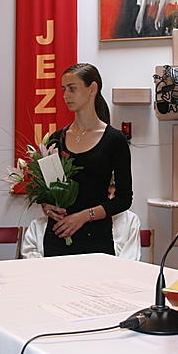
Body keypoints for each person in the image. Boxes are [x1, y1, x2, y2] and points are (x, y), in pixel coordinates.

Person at [40, 63, 133, 257]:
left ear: (92, 89)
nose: (66, 95)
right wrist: (48, 207)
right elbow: (49, 190)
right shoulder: (56, 139)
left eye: (72, 89)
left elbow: (124, 199)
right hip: (58, 236)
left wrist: (83, 216)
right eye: (64, 89)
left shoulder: (115, 140)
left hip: (95, 239)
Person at [22, 182, 141, 260]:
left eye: (115, 195)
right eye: (107, 194)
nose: (110, 199)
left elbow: (130, 258)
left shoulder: (130, 220)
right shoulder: (38, 225)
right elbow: (30, 258)